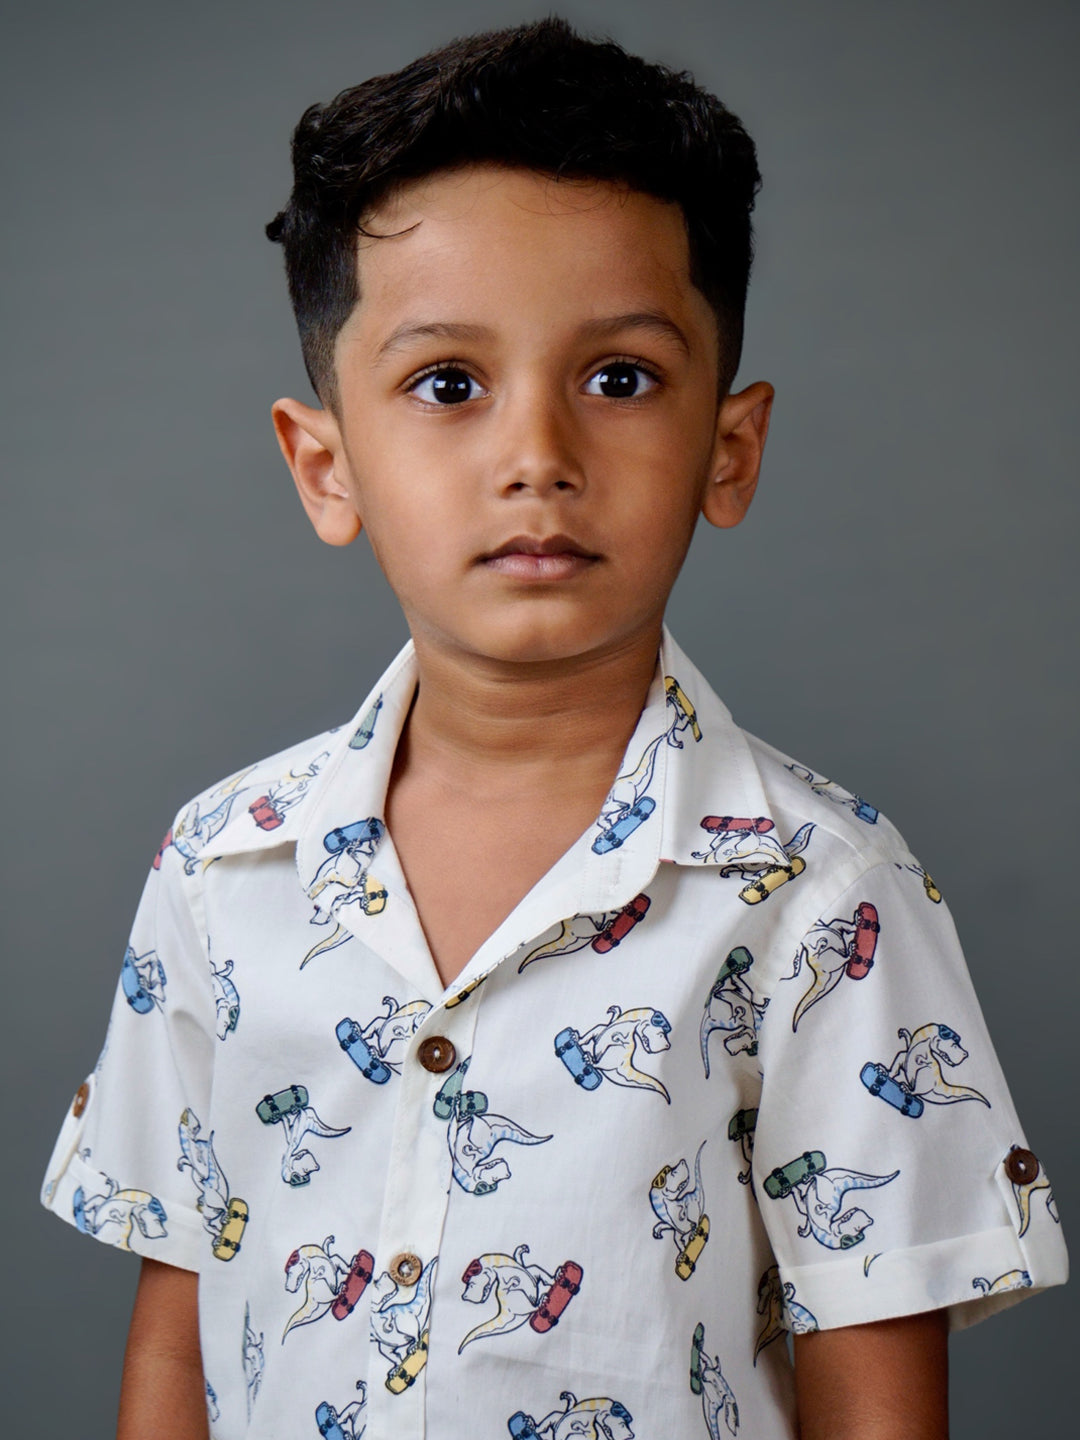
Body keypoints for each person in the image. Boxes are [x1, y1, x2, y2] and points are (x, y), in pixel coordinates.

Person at [39, 16, 1067, 1440]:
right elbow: (177, 1346)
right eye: (448, 386)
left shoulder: (827, 899)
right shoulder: (223, 868)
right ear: (324, 465)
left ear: (731, 448)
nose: (537, 457)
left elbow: (876, 1402)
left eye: (621, 378)